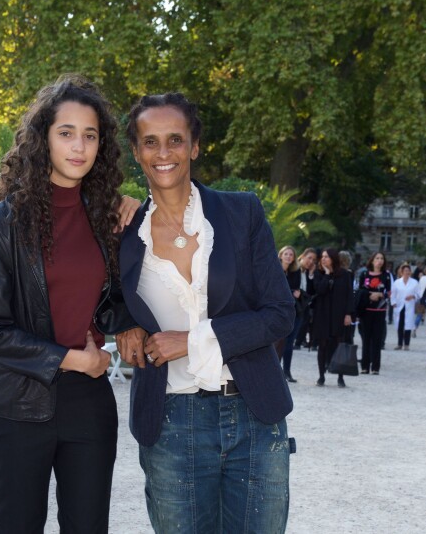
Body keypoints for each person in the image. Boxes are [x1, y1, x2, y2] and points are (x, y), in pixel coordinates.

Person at [115, 92, 295, 533]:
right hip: (172, 421)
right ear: (137, 152)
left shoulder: (241, 212)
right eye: (150, 141)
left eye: (175, 139)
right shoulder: (121, 231)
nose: (164, 153)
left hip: (254, 415)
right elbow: (100, 296)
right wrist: (121, 323)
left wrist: (193, 340)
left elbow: (279, 314)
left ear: (194, 146)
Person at [0, 75, 138, 534]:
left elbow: (117, 300)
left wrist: (138, 209)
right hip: (20, 404)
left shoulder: (109, 216)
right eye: (66, 132)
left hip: (88, 403)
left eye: (90, 135)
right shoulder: (2, 223)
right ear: (42, 137)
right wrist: (73, 359)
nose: (78, 146)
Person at [311, 248, 354, 388]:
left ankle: (340, 376)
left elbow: (349, 296)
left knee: (339, 344)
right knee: (322, 345)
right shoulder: (318, 273)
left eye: (327, 257)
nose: (323, 259)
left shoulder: (345, 275)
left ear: (333, 258)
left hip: (339, 315)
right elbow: (320, 290)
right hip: (323, 315)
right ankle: (321, 376)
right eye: (322, 257)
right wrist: (327, 274)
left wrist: (348, 314)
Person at [358, 252, 392, 374]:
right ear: (372, 260)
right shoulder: (364, 274)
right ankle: (365, 366)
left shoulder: (386, 275)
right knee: (366, 339)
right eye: (377, 258)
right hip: (366, 310)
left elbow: (389, 292)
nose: (379, 260)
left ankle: (375, 367)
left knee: (377, 339)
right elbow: (360, 291)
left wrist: (381, 294)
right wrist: (369, 295)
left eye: (382, 258)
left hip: (379, 310)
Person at [277, 246, 302, 381]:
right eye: (285, 254)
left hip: (292, 311)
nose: (288, 256)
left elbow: (296, 290)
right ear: (280, 255)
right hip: (277, 311)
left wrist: (292, 292)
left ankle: (287, 371)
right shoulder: (274, 269)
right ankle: (276, 371)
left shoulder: (296, 271)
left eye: (291, 254)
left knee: (289, 342)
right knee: (277, 343)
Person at [294, 247, 318, 350]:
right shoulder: (294, 269)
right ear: (303, 256)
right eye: (309, 258)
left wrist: (312, 274)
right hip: (294, 301)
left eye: (313, 260)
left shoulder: (309, 272)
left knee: (306, 318)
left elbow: (311, 290)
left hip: (303, 302)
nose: (311, 261)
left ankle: (298, 342)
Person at [391, 263, 419, 350]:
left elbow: (419, 294)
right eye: (405, 270)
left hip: (409, 306)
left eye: (408, 270)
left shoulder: (414, 282)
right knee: (400, 325)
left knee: (408, 325)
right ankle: (399, 344)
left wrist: (413, 296)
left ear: (410, 272)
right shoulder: (397, 282)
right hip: (399, 306)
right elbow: (393, 294)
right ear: (402, 272)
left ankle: (406, 344)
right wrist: (393, 303)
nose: (407, 272)